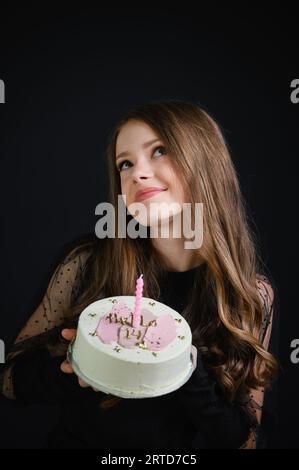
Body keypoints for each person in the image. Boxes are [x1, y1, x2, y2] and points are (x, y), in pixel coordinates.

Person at [0, 99, 279, 449]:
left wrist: (186, 370)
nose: (136, 173)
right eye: (125, 164)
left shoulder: (250, 294)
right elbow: (10, 378)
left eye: (159, 151)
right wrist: (76, 369)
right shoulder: (87, 262)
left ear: (206, 162)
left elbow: (245, 439)